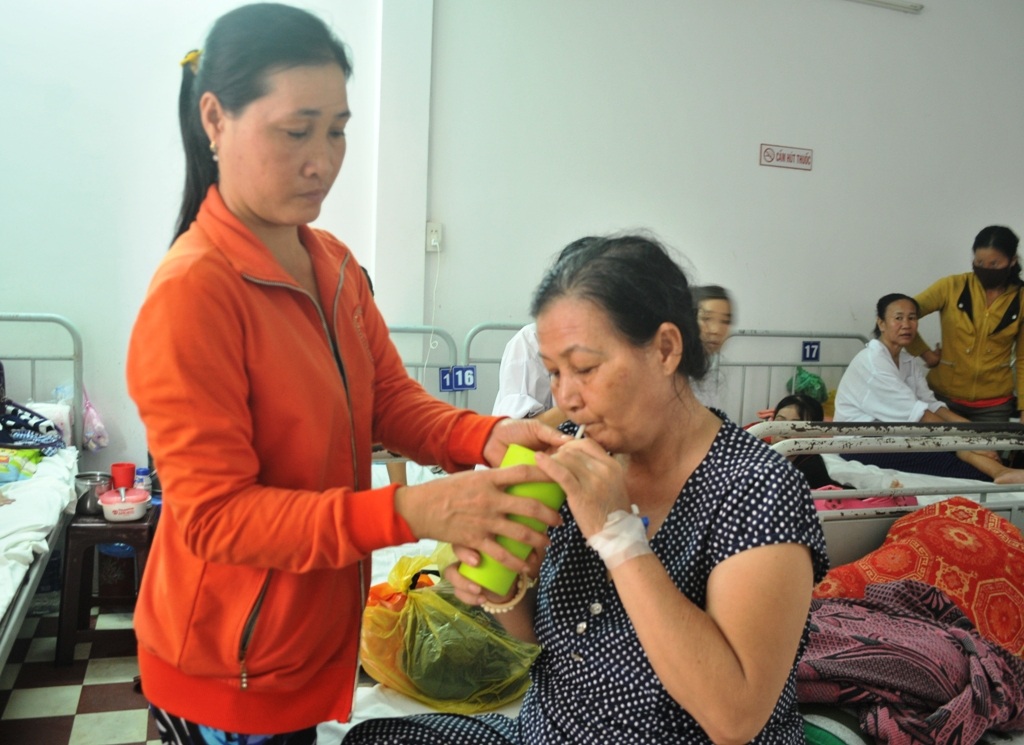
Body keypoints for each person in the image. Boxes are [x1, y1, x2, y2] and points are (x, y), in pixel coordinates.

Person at [125, 5, 566, 741]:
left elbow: (388, 401)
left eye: (337, 129)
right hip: (228, 660)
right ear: (215, 118)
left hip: (305, 639)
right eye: (297, 131)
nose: (323, 159)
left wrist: (487, 437)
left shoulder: (330, 264)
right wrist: (411, 511)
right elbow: (216, 516)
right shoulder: (194, 293)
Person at [345, 235, 829, 744]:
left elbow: (733, 717)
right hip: (548, 731)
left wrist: (619, 536)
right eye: (554, 373)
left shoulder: (756, 488)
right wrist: (505, 590)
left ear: (665, 349)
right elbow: (552, 641)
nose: (567, 398)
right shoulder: (578, 455)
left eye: (585, 369)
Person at [833, 293, 1024, 484]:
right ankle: (996, 474)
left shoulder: (908, 361)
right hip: (863, 444)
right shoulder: (873, 364)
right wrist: (970, 441)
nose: (906, 324)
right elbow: (920, 415)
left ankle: (1001, 471)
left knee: (956, 446)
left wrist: (974, 433)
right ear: (881, 323)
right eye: (898, 318)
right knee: (959, 464)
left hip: (894, 435)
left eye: (912, 318)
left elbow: (932, 406)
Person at [908, 225, 1023, 424]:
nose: (985, 269)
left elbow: (1023, 359)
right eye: (979, 262)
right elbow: (902, 316)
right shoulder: (951, 286)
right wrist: (925, 353)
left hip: (994, 406)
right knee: (940, 455)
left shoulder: (1020, 299)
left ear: (1012, 261)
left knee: (987, 455)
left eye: (994, 264)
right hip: (942, 399)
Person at [490, 238, 598, 427]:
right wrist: (584, 399)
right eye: (555, 372)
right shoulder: (531, 341)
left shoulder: (621, 342)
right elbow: (516, 431)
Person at [768, 393, 846, 489]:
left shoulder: (812, 468)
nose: (784, 431)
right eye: (780, 421)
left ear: (815, 434)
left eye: (795, 426)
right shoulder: (759, 453)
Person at [691, 284, 733, 408]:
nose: (716, 330)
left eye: (725, 321)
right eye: (706, 318)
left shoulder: (706, 372)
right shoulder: (676, 375)